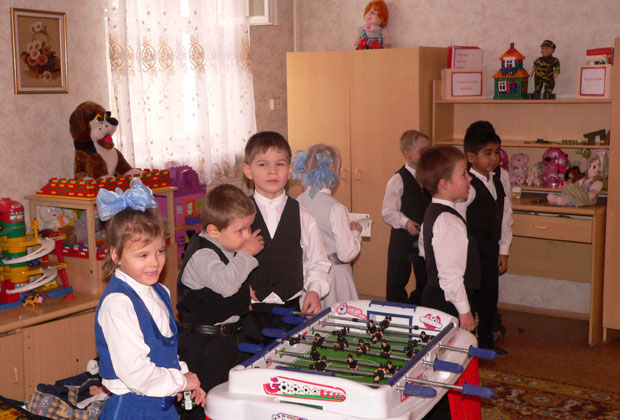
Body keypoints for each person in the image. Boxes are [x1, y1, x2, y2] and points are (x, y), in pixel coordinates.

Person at [94, 178, 205, 420]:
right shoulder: (118, 304)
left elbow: (166, 353)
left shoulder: (159, 291)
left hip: (161, 405)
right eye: (142, 255)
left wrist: (184, 378)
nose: (154, 262)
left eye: (160, 251)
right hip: (133, 409)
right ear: (116, 255)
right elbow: (136, 373)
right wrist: (179, 381)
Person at [176, 184, 264, 418]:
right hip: (205, 347)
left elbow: (227, 280)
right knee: (204, 406)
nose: (248, 236)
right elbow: (225, 284)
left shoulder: (223, 245)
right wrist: (246, 253)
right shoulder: (202, 253)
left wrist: (245, 291)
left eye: (249, 227)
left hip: (228, 341)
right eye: (240, 230)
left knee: (230, 403)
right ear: (214, 230)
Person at [242, 131, 331, 343]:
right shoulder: (237, 217)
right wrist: (238, 285)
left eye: (280, 164)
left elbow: (317, 262)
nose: (272, 171)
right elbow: (225, 261)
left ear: (290, 169)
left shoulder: (304, 216)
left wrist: (314, 291)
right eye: (263, 164)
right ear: (248, 170)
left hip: (291, 312)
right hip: (248, 313)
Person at [457, 121, 513, 356]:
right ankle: (467, 344)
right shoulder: (467, 184)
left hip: (490, 248)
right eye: (487, 153)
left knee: (490, 295)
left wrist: (504, 250)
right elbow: (457, 220)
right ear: (471, 157)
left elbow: (505, 214)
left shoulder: (499, 178)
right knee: (471, 296)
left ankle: (488, 343)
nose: (494, 158)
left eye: (497, 152)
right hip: (471, 250)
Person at [417, 146, 479, 333]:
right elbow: (450, 275)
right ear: (444, 184)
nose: (470, 178)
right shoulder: (449, 222)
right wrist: (465, 311)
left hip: (435, 295)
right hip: (447, 303)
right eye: (463, 174)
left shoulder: (432, 212)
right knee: (451, 346)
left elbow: (424, 250)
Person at [293, 144, 362, 309]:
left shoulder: (296, 203)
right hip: (335, 277)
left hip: (307, 276)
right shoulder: (336, 207)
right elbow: (346, 253)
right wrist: (355, 233)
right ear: (332, 169)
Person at [382, 130, 431, 304]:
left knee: (426, 279)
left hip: (424, 237)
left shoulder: (430, 177)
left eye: (428, 150)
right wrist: (406, 222)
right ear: (406, 153)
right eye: (422, 151)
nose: (426, 155)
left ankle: (419, 309)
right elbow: (388, 211)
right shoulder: (398, 180)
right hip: (402, 237)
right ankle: (395, 312)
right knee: (397, 278)